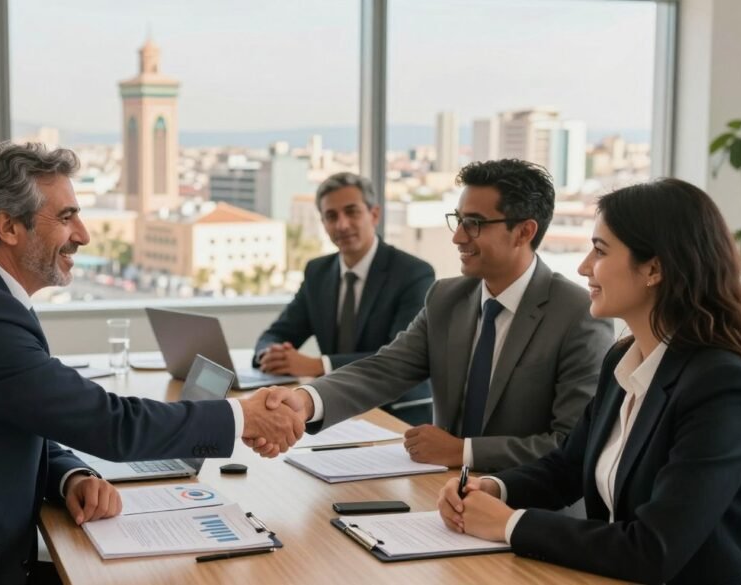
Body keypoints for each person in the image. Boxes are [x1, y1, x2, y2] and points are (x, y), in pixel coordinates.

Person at [0, 143, 304, 585]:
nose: (85, 235)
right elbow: (108, 424)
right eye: (67, 217)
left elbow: (22, 415)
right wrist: (243, 415)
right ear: (8, 226)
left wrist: (70, 474)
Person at [436, 178, 741, 584]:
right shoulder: (620, 361)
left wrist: (510, 524)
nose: (583, 266)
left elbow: (654, 548)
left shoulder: (720, 385)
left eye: (600, 250)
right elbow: (568, 467)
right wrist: (493, 488)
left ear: (654, 268)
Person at [257, 159, 614, 471]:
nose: (458, 236)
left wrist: (466, 452)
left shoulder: (579, 315)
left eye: (474, 223)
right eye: (458, 220)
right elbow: (383, 370)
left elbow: (571, 444)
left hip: (529, 509)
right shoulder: (447, 298)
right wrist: (305, 402)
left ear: (524, 231)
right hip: (441, 496)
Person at [254, 172, 434, 377]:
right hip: (334, 401)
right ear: (323, 223)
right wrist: (270, 354)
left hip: (395, 405)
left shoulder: (413, 273)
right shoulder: (317, 273)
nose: (342, 225)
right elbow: (276, 334)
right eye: (331, 216)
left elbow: (400, 358)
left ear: (374, 215)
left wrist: (320, 366)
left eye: (352, 212)